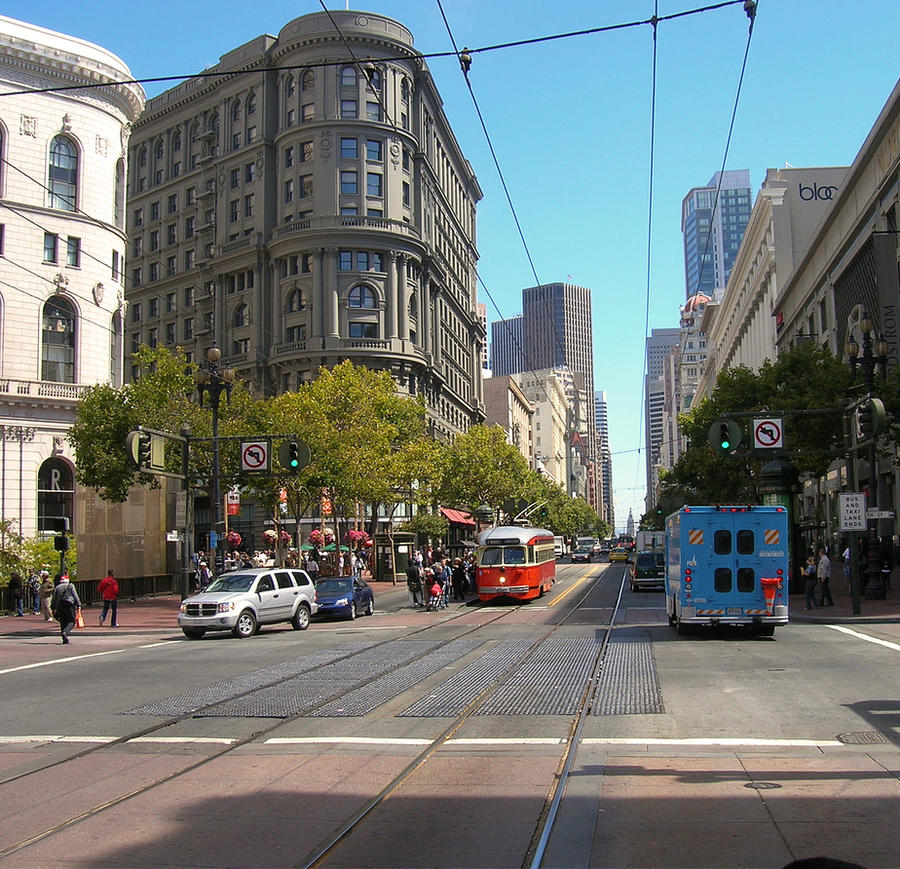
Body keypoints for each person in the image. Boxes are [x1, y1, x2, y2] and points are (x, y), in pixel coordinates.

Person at [50, 573, 81, 644]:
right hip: (69, 605)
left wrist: (53, 608)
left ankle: (64, 638)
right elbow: (75, 595)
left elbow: (54, 598)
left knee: (62, 621)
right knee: (71, 621)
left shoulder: (58, 587)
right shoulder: (71, 586)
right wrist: (78, 604)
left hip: (60, 605)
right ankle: (65, 632)